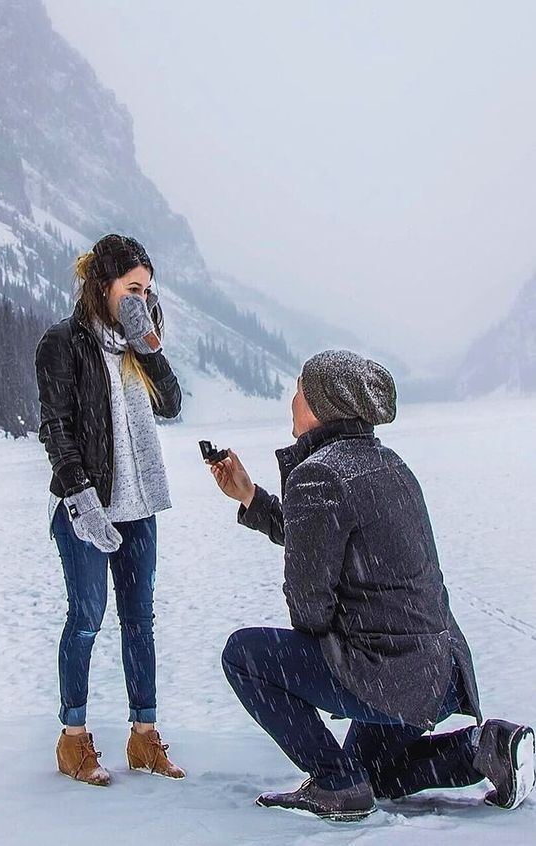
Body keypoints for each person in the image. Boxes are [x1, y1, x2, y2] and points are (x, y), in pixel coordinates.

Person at [208, 349, 535, 822]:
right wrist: (252, 498)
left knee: (243, 654)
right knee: (371, 771)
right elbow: (326, 534)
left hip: (388, 674)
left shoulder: (318, 474)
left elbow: (309, 610)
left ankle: (335, 787)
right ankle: (484, 749)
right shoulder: (387, 464)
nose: (292, 399)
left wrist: (326, 674)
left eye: (299, 391)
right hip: (437, 674)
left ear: (324, 405)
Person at [35, 234, 185, 786]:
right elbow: (58, 429)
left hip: (138, 508)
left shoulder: (135, 344)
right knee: (86, 620)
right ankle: (73, 741)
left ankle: (144, 737)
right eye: (133, 288)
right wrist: (81, 500)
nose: (142, 299)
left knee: (139, 621)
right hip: (86, 510)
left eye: (148, 290)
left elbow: (170, 405)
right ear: (105, 286)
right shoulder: (62, 343)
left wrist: (150, 344)